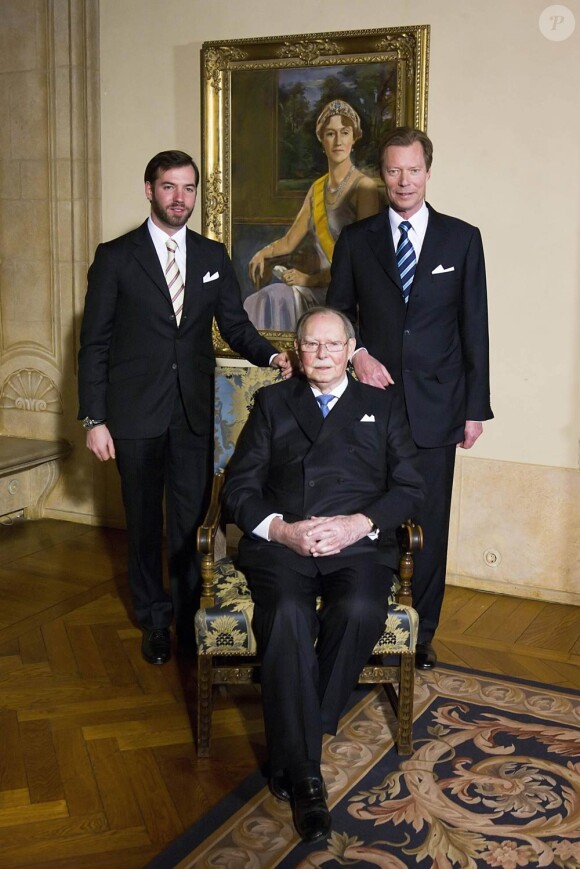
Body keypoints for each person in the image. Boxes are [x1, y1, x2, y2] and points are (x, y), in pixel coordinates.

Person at [78, 150, 291, 666]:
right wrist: (94, 418)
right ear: (149, 189)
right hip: (132, 416)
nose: (180, 198)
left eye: (189, 188)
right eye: (170, 187)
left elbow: (234, 327)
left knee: (193, 523)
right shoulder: (116, 256)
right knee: (145, 520)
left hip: (192, 413)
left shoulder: (213, 256)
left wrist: (274, 354)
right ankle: (154, 619)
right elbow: (95, 344)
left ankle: (191, 616)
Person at [222, 307, 424, 842]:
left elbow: (409, 487)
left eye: (334, 345)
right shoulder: (271, 403)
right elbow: (238, 489)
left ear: (351, 350)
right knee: (286, 614)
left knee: (359, 608)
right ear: (296, 350)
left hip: (355, 546)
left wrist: (360, 524)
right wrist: (281, 530)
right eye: (312, 345)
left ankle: (296, 742)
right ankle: (308, 777)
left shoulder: (381, 406)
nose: (323, 355)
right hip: (285, 546)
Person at [327, 126, 493, 671]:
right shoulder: (357, 239)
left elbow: (475, 328)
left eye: (413, 170)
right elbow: (338, 316)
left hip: (439, 408)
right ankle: (367, 624)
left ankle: (419, 635)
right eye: (393, 170)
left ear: (428, 171)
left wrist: (475, 408)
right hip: (371, 406)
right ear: (383, 174)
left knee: (428, 526)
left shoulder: (461, 239)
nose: (403, 180)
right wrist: (357, 354)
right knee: (369, 516)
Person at [244, 99, 380, 330]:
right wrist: (263, 253)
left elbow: (363, 260)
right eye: (330, 133)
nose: (338, 141)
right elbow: (289, 241)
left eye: (344, 133)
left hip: (346, 293)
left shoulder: (364, 187)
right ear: (322, 141)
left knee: (276, 299)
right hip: (315, 287)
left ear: (354, 138)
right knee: (261, 300)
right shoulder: (317, 188)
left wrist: (309, 280)